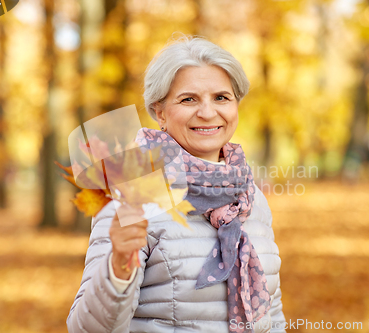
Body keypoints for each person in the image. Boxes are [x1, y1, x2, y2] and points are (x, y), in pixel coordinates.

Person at [67, 35, 286, 333]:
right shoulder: (133, 191)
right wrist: (118, 267)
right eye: (188, 99)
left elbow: (271, 312)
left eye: (221, 97)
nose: (208, 112)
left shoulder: (250, 196)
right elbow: (85, 328)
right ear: (160, 113)